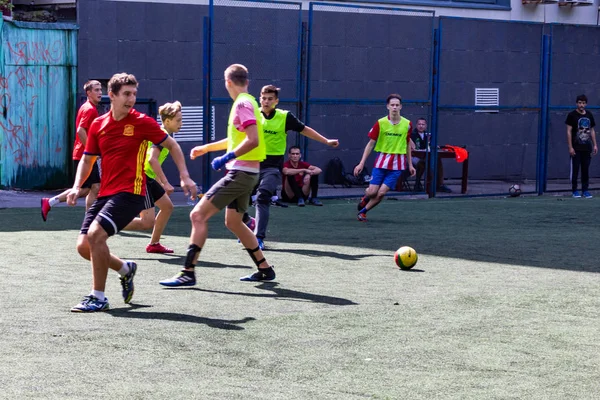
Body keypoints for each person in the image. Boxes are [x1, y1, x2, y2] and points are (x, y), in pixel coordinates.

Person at [67, 72, 197, 312]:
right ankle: (125, 268)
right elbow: (87, 160)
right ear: (112, 95)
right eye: (126, 94)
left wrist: (184, 176)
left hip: (131, 192)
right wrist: (77, 186)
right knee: (84, 247)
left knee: (96, 235)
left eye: (134, 94)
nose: (131, 99)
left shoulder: (142, 122)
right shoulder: (98, 124)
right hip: (106, 192)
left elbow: (172, 144)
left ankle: (98, 297)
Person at [159, 63, 276, 287]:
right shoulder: (250, 101)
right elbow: (238, 139)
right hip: (248, 173)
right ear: (247, 82)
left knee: (197, 215)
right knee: (233, 221)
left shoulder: (241, 104)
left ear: (227, 82)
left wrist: (226, 157)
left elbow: (253, 140)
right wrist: (206, 148)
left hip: (241, 172)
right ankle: (264, 268)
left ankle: (188, 272)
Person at [247, 84, 339, 250]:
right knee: (235, 201)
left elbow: (305, 130)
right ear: (259, 99)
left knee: (262, 197)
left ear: (276, 101)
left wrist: (326, 141)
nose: (266, 101)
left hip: (272, 167)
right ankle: (248, 223)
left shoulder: (284, 117)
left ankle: (258, 238)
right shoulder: (252, 115)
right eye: (263, 98)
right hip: (251, 164)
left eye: (270, 99)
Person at [123, 101, 183, 253]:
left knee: (167, 207)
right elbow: (152, 160)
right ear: (167, 121)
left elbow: (151, 164)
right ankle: (105, 223)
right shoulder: (161, 136)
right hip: (142, 178)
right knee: (146, 222)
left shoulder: (163, 133)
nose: (181, 123)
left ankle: (154, 244)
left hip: (148, 178)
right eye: (178, 120)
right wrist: (165, 182)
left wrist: (159, 183)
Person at [41, 80, 103, 221]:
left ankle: (50, 202)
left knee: (88, 188)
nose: (100, 93)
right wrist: (91, 150)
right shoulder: (89, 109)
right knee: (95, 187)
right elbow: (81, 130)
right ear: (88, 93)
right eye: (97, 90)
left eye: (101, 90)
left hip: (82, 154)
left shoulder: (88, 107)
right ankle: (90, 220)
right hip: (84, 155)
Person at [354, 94, 415, 222]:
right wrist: (361, 163)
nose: (394, 107)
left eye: (397, 105)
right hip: (381, 163)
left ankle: (363, 212)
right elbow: (370, 143)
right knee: (372, 192)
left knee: (381, 193)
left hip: (397, 165)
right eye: (392, 105)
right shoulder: (380, 123)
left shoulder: (407, 124)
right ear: (387, 106)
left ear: (401, 107)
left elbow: (408, 144)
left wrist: (410, 165)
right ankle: (366, 197)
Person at [566, 94, 597, 198]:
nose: (581, 105)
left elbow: (592, 130)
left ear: (586, 104)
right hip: (576, 148)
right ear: (576, 103)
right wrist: (570, 147)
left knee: (585, 170)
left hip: (587, 148)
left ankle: (585, 190)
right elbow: (569, 131)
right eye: (579, 103)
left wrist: (595, 145)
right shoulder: (572, 115)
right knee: (575, 169)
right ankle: (574, 190)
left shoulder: (589, 115)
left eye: (583, 103)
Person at [410, 117, 451, 193]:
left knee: (437, 160)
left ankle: (438, 185)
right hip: (414, 157)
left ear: (426, 126)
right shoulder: (412, 134)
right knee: (425, 162)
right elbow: (414, 148)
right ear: (416, 125)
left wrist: (434, 145)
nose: (421, 126)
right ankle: (427, 185)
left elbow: (429, 146)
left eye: (423, 124)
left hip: (425, 157)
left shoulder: (428, 135)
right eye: (419, 124)